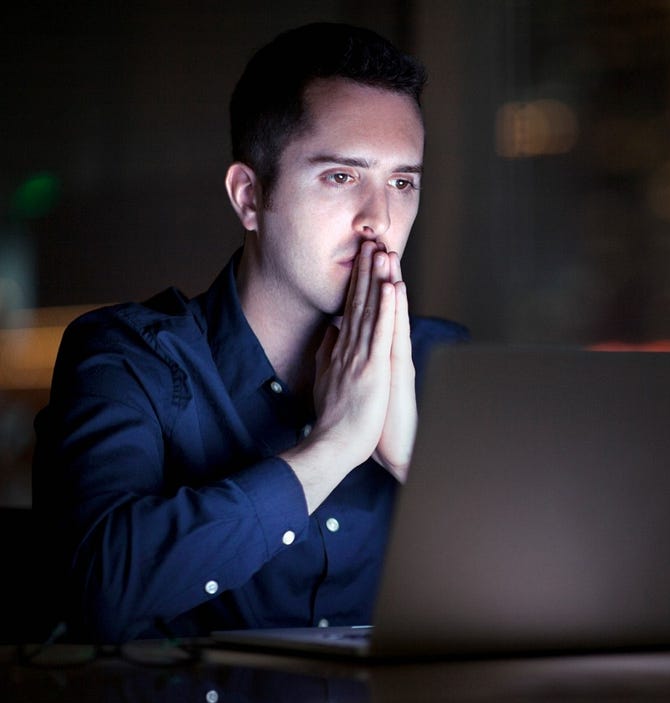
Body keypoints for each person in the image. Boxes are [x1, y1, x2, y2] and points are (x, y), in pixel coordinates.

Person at [33, 22, 468, 643]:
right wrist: (336, 446)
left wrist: (416, 462)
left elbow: (556, 594)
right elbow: (98, 589)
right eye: (342, 177)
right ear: (249, 196)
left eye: (402, 182)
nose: (381, 219)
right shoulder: (130, 357)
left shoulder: (447, 360)